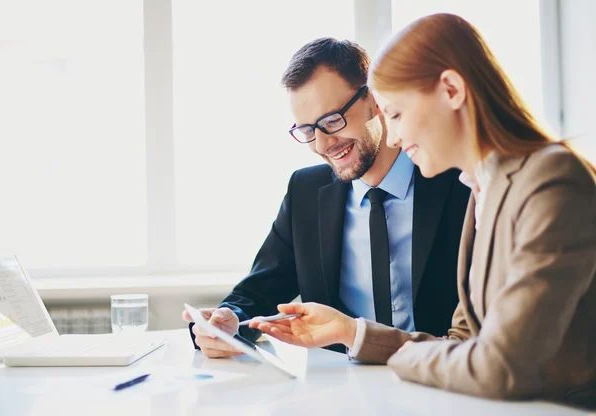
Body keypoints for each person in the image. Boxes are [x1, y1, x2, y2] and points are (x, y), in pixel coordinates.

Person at [249, 14, 596, 408]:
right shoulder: (484, 186)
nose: (393, 136)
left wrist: (398, 358)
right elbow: (463, 344)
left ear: (451, 90)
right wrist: (353, 333)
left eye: (395, 114)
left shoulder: (551, 178)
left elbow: (502, 363)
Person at [182, 37, 470, 357]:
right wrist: (227, 322)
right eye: (307, 131)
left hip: (442, 378)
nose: (322, 145)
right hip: (342, 390)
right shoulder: (305, 191)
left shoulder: (459, 182)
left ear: (375, 100)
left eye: (332, 121)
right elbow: (258, 291)